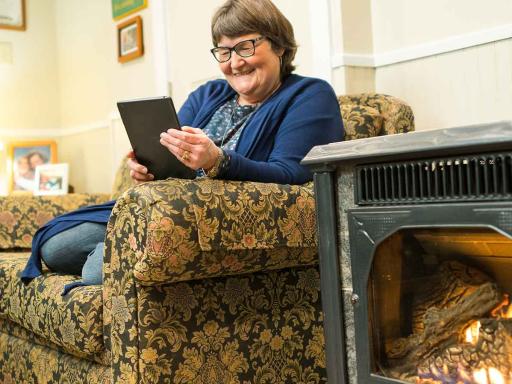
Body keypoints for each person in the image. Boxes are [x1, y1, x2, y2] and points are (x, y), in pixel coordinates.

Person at [21, 0, 344, 293]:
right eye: (224, 51)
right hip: (161, 206)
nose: (235, 62)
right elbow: (169, 150)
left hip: (210, 217)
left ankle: (122, 249)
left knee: (95, 271)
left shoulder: (309, 95)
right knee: (56, 247)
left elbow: (291, 173)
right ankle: (127, 245)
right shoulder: (209, 94)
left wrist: (219, 161)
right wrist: (148, 167)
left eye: (245, 47)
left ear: (280, 46)